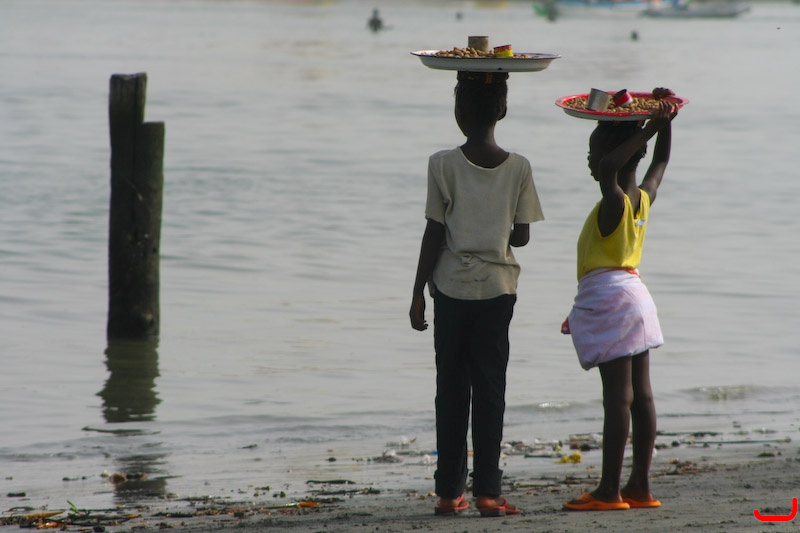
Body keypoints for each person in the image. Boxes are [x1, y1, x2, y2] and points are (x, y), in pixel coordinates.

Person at [409, 70, 545, 517]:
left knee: (450, 390)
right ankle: (488, 491)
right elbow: (521, 236)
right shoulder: (519, 167)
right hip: (497, 291)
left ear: (458, 112)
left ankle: (449, 493)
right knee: (490, 390)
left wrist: (417, 292)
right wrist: (495, 223)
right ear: (502, 110)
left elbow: (434, 232)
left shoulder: (441, 164)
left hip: (450, 290)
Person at [561, 89, 678, 511]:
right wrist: (665, 124)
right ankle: (640, 486)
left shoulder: (613, 201)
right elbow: (660, 162)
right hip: (637, 299)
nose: (590, 161)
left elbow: (611, 167)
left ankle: (609, 491)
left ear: (612, 157)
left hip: (611, 300)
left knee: (618, 399)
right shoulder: (643, 197)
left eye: (593, 153)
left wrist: (648, 129)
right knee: (642, 396)